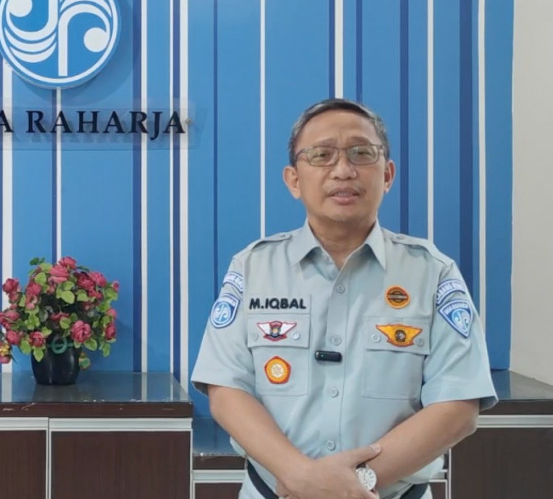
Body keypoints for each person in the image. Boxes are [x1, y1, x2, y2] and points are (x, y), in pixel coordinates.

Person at [191, 99, 496, 499]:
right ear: (294, 180)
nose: (343, 170)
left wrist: (356, 483)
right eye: (321, 155)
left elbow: (457, 406)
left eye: (361, 153)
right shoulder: (253, 267)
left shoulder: (432, 272)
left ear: (387, 175)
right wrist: (300, 475)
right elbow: (226, 389)